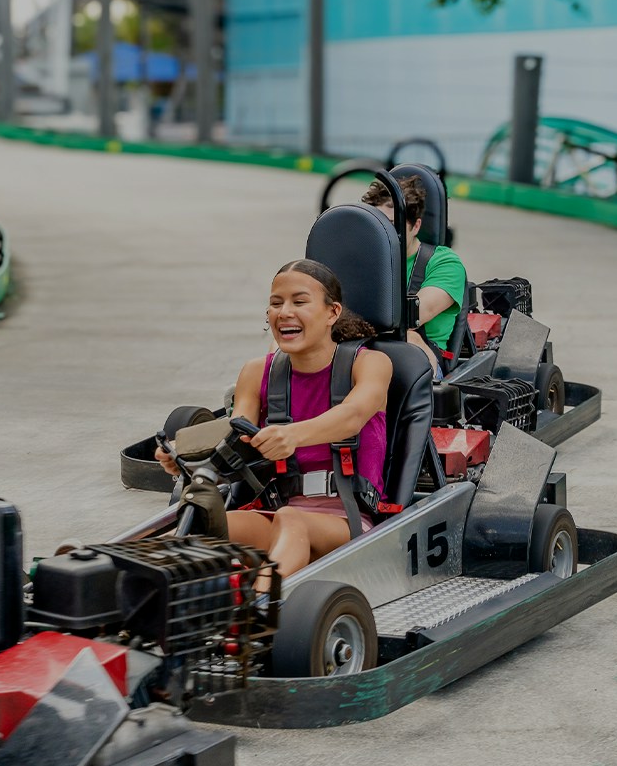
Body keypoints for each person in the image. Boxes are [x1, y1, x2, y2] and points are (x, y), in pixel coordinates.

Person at [159, 260, 391, 579]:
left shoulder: (370, 364)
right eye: (276, 303)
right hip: (277, 512)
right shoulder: (257, 373)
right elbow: (236, 436)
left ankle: (258, 608)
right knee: (199, 522)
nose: (284, 312)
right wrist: (184, 455)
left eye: (299, 302)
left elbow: (351, 417)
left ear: (332, 312)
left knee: (291, 520)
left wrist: (293, 435)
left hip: (348, 521)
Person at [361, 176, 468, 375]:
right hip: (363, 352)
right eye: (378, 224)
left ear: (416, 226)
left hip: (419, 361)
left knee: (409, 337)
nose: (384, 233)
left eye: (392, 225)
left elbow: (414, 315)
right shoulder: (361, 258)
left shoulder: (444, 263)